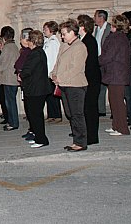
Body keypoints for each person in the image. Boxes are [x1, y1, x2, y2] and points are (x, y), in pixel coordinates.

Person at [52, 20, 88, 152]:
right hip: (65, 84)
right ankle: (76, 139)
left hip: (76, 85)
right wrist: (54, 74)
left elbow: (75, 68)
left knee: (77, 114)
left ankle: (81, 142)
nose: (62, 37)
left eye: (64, 34)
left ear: (73, 32)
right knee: (70, 113)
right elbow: (58, 62)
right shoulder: (64, 45)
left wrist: (59, 78)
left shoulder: (80, 47)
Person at [99, 14, 131, 136]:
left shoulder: (116, 38)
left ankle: (122, 128)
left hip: (116, 74)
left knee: (117, 102)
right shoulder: (119, 37)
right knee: (114, 101)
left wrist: (97, 61)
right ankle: (116, 125)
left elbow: (109, 55)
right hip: (116, 73)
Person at [19, 30, 51, 148]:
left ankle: (41, 139)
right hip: (36, 88)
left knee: (36, 115)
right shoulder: (38, 52)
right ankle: (39, 137)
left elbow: (28, 70)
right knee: (34, 115)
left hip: (36, 89)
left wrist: (21, 74)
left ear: (32, 41)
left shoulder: (36, 53)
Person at [77, 14, 101, 145]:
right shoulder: (86, 40)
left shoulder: (89, 41)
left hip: (91, 79)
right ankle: (89, 134)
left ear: (82, 26)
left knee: (90, 108)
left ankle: (92, 137)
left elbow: (89, 63)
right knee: (88, 108)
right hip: (90, 78)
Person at [0, 26, 20, 132]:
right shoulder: (14, 46)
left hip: (8, 79)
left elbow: (3, 65)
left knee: (10, 102)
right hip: (11, 78)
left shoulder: (7, 48)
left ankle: (13, 123)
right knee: (11, 101)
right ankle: (12, 121)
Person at [43, 21, 62, 123]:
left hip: (51, 72)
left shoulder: (54, 42)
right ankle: (51, 114)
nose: (44, 31)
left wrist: (52, 72)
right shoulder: (47, 41)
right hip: (47, 72)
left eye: (46, 29)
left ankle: (57, 115)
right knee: (49, 95)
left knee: (53, 95)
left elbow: (53, 58)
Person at [93, 10, 111, 117]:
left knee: (110, 86)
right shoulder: (97, 29)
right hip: (98, 60)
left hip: (107, 61)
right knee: (100, 86)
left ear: (101, 18)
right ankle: (101, 109)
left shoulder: (109, 29)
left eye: (95, 16)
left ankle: (114, 110)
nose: (94, 18)